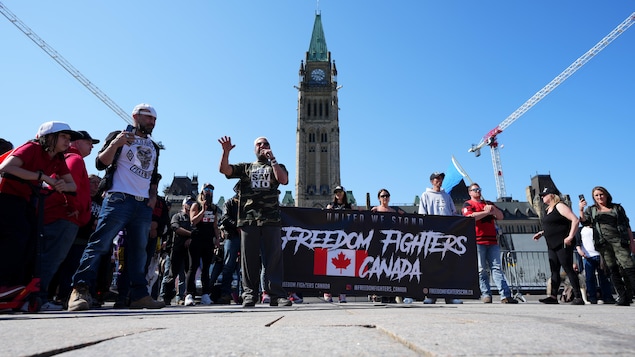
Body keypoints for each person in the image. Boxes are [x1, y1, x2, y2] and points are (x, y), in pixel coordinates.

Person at [67, 103, 165, 311]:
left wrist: (153, 195)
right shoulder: (119, 136)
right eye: (149, 117)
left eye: (155, 119)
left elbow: (154, 174)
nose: (152, 122)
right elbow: (100, 163)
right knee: (99, 244)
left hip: (142, 205)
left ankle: (139, 295)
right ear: (135, 116)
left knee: (139, 252)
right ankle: (79, 289)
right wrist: (116, 144)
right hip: (118, 199)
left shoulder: (154, 147)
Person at [0, 121, 79, 297]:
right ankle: (2, 283)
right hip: (6, 197)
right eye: (63, 136)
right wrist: (43, 177)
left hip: (26, 199)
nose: (68, 141)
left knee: (31, 242)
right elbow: (5, 167)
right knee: (15, 237)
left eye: (69, 138)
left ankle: (14, 287)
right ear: (49, 137)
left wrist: (60, 185)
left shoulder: (57, 159)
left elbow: (72, 186)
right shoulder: (31, 148)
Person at [218, 135, 292, 307]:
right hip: (248, 219)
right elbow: (225, 170)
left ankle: (277, 295)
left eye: (266, 143)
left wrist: (272, 159)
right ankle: (249, 294)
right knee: (248, 259)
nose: (263, 146)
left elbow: (283, 180)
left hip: (271, 219)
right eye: (259, 144)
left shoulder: (278, 166)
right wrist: (225, 152)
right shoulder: (246, 167)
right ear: (254, 149)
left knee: (273, 260)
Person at [39, 130, 99, 310]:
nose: (92, 146)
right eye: (89, 142)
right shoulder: (75, 159)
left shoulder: (65, 158)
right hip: (65, 216)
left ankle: (40, 296)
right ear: (77, 142)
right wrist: (73, 206)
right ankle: (39, 298)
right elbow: (67, 184)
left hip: (61, 215)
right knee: (52, 258)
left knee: (53, 258)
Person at [462, 183, 517, 304]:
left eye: (479, 189)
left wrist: (493, 209)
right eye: (475, 190)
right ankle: (486, 293)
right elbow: (470, 217)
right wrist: (486, 213)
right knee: (481, 269)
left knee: (496, 268)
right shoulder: (468, 204)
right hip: (477, 240)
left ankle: (505, 295)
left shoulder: (489, 203)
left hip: (492, 240)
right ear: (470, 192)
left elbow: (501, 216)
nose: (477, 191)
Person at [580, 186, 635, 306]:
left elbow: (626, 226)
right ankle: (623, 297)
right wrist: (581, 209)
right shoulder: (592, 210)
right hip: (603, 243)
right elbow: (585, 222)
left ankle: (631, 293)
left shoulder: (617, 208)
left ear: (606, 195)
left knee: (629, 267)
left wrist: (632, 242)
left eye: (601, 194)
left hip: (619, 241)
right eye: (596, 195)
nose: (599, 197)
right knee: (612, 269)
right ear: (593, 197)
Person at [533, 187, 584, 305]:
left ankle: (578, 296)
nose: (542, 197)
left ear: (551, 195)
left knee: (568, 268)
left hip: (562, 243)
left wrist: (570, 236)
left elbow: (575, 220)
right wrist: (542, 233)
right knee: (554, 270)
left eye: (544, 195)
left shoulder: (560, 206)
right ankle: (553, 296)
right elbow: (553, 226)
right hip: (552, 244)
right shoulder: (547, 210)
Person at [418, 172, 462, 304]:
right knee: (433, 265)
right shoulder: (425, 195)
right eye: (437, 178)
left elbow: (453, 214)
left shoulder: (447, 196)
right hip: (432, 236)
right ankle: (432, 294)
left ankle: (449, 295)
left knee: (448, 264)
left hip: (447, 235)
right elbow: (423, 216)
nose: (439, 180)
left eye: (441, 178)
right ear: (432, 181)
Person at [185, 183, 220, 306]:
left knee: (206, 268)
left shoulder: (214, 208)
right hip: (196, 239)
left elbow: (215, 225)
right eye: (206, 189)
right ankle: (189, 294)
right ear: (202, 192)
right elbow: (193, 221)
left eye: (211, 189)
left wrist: (218, 238)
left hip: (208, 240)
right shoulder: (196, 205)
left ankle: (206, 294)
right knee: (193, 267)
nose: (209, 191)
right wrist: (203, 211)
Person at [162, 196, 194, 305]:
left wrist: (191, 238)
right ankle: (166, 297)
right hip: (177, 249)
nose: (190, 204)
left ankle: (185, 297)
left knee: (188, 275)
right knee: (172, 274)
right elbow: (175, 227)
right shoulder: (177, 216)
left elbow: (199, 231)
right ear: (184, 204)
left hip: (190, 250)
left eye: (192, 202)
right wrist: (191, 234)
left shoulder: (194, 218)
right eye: (188, 202)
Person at [324, 185, 353, 303]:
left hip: (345, 240)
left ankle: (342, 294)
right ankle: (328, 292)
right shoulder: (331, 206)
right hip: (332, 240)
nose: (338, 194)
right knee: (330, 266)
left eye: (340, 192)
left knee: (344, 268)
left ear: (344, 193)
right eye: (336, 192)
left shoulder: (349, 206)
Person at [575, 220, 615, 304]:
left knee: (603, 277)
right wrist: (579, 250)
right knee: (589, 278)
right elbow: (577, 242)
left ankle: (607, 297)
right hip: (588, 256)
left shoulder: (597, 228)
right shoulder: (580, 230)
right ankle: (592, 297)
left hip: (600, 255)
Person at [216, 194, 242, 304]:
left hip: (244, 236)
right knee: (228, 266)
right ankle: (225, 294)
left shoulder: (247, 203)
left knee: (243, 268)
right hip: (232, 237)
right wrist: (237, 226)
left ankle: (242, 294)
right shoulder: (229, 202)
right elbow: (225, 218)